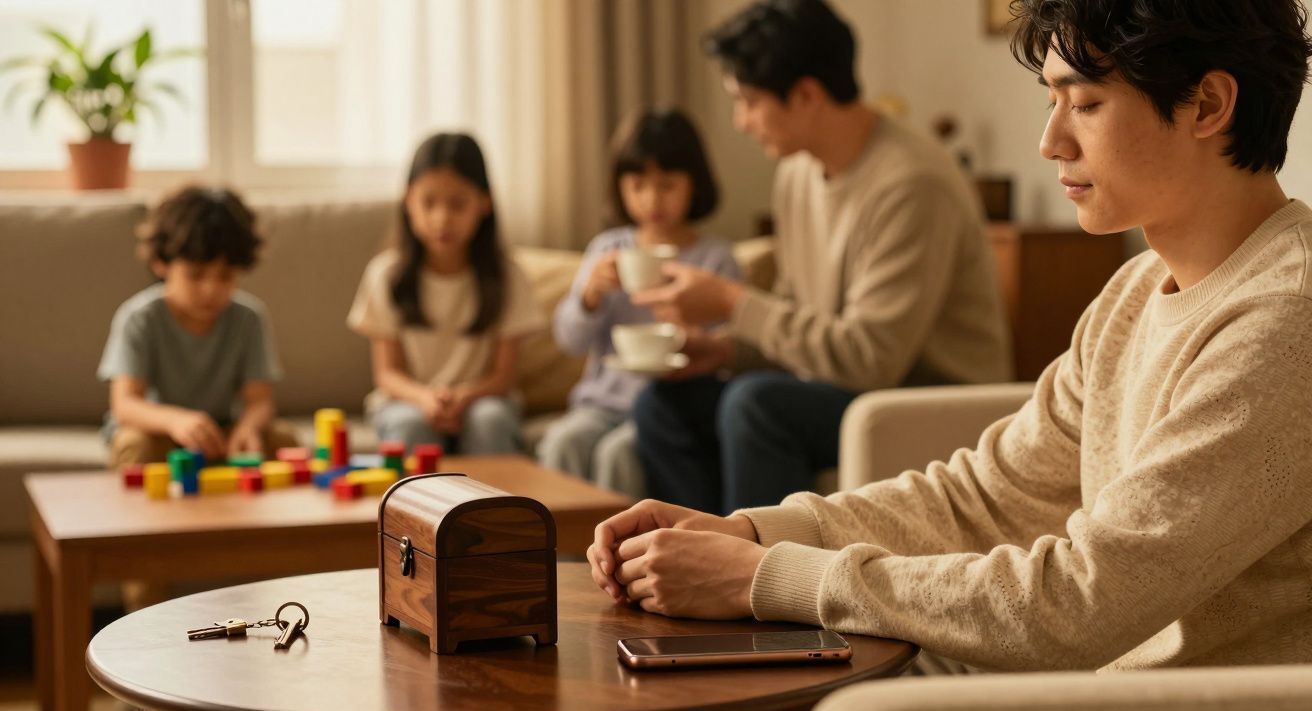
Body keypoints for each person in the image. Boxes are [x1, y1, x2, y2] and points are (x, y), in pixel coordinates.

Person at [589, 0, 1312, 673]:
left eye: (1086, 104)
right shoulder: (1134, 289)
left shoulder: (1284, 321)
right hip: (1091, 683)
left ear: (1208, 105)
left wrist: (766, 579)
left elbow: (1083, 600)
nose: (1050, 141)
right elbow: (984, 498)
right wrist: (752, 535)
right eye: (1052, 102)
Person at [629, 0, 1011, 514]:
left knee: (757, 405)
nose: (741, 122)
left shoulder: (911, 184)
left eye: (748, 102)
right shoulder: (798, 173)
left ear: (807, 95)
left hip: (924, 403)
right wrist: (724, 352)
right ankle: (689, 549)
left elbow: (870, 360)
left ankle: (754, 563)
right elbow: (799, 321)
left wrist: (733, 302)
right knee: (662, 406)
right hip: (849, 389)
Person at [538, 108, 741, 498]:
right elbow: (569, 340)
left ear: (694, 184)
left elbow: (729, 350)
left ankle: (618, 540)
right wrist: (589, 297)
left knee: (619, 454)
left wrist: (688, 330)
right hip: (600, 404)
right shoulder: (608, 250)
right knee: (564, 441)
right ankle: (561, 540)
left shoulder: (714, 259)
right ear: (620, 188)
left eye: (667, 185)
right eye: (638, 185)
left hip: (669, 410)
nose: (652, 199)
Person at [348, 133, 544, 454]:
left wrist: (464, 397)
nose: (442, 218)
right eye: (429, 203)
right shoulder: (386, 274)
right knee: (410, 425)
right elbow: (387, 373)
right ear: (408, 201)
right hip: (407, 401)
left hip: (484, 399)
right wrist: (425, 398)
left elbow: (504, 376)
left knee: (489, 420)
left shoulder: (508, 276)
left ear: (484, 202)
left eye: (457, 204)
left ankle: (495, 492)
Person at [99, 185, 297, 468]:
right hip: (159, 433)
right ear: (161, 263)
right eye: (195, 275)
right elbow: (125, 405)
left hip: (219, 434)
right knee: (135, 445)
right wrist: (175, 421)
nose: (211, 290)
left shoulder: (249, 319)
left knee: (282, 438)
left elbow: (260, 401)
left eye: (226, 276)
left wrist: (247, 428)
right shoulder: (139, 318)